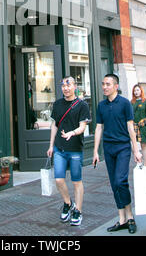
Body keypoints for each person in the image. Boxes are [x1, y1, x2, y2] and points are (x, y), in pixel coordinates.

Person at [93, 74, 142, 234]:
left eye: (107, 84)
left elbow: (131, 127)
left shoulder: (125, 103)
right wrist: (95, 151)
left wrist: (136, 149)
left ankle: (130, 216)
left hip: (123, 147)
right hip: (108, 148)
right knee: (114, 184)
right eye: (103, 84)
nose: (104, 87)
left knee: (121, 181)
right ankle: (122, 219)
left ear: (116, 86)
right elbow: (99, 128)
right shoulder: (101, 105)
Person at [47, 76, 90, 226]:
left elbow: (83, 126)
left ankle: (78, 210)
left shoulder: (82, 105)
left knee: (76, 181)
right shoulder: (58, 104)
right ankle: (68, 203)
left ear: (74, 86)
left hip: (75, 149)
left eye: (68, 85)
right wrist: (51, 145)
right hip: (60, 148)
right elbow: (54, 125)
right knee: (59, 179)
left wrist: (73, 133)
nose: (65, 88)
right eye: (63, 85)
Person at [131, 84, 146, 167]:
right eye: (134, 90)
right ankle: (138, 162)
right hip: (134, 127)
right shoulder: (132, 102)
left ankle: (145, 165)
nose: (136, 92)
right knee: (134, 146)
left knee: (144, 145)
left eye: (137, 90)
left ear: (141, 91)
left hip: (143, 127)